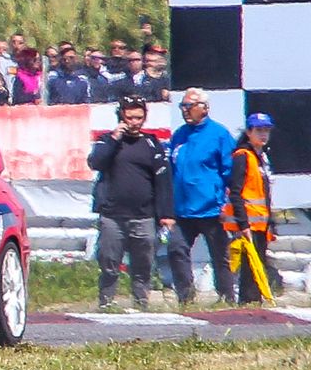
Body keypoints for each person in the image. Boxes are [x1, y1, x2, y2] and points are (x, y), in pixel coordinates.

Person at [87, 95, 174, 312]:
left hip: (144, 216)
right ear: (121, 117)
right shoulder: (107, 141)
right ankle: (106, 303)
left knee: (143, 265)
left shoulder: (152, 143)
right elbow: (96, 162)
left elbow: (163, 181)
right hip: (112, 216)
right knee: (109, 262)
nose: (135, 122)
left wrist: (166, 213)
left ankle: (141, 302)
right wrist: (115, 139)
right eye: (130, 117)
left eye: (139, 118)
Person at [167, 88, 237, 306]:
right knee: (176, 249)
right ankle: (186, 298)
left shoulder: (219, 134)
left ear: (204, 108)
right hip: (183, 209)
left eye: (189, 106)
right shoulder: (179, 135)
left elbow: (231, 172)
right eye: (182, 106)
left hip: (212, 209)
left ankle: (226, 297)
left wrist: (227, 203)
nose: (185, 111)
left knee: (220, 256)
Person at [223, 113, 277, 304]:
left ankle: (255, 300)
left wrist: (271, 222)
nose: (263, 134)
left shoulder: (261, 157)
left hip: (260, 223)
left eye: (266, 130)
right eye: (259, 130)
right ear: (249, 132)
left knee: (257, 264)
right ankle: (246, 302)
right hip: (247, 223)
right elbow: (235, 193)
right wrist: (243, 224)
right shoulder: (243, 156)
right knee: (247, 267)